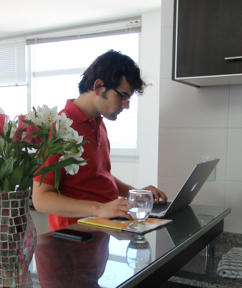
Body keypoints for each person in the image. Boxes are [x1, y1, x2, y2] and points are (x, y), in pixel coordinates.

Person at [32, 50, 167, 231]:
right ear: (99, 87)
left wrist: (135, 194)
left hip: (103, 231)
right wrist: (100, 208)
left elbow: (98, 176)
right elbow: (40, 199)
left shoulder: (98, 124)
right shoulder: (59, 129)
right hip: (74, 239)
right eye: (123, 96)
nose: (126, 106)